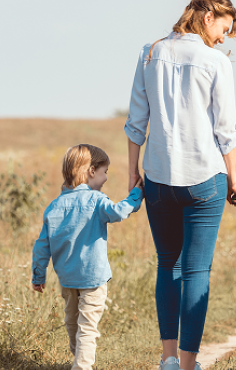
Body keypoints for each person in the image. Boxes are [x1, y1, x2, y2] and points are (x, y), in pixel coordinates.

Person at [123, 1, 236, 369]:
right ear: (208, 16)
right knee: (195, 271)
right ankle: (189, 364)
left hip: (158, 178)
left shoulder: (150, 53)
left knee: (168, 266)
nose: (223, 39)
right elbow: (226, 131)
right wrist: (234, 180)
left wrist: (133, 173)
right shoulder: (216, 62)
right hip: (205, 177)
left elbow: (135, 121)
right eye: (223, 30)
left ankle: (168, 359)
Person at [31, 144, 144, 370]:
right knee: (87, 326)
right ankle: (81, 365)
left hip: (67, 278)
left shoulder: (54, 206)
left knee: (72, 322)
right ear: (91, 171)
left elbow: (42, 246)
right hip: (93, 278)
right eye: (104, 172)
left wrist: (38, 275)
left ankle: (79, 360)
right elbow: (120, 211)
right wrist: (136, 194)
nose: (104, 179)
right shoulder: (96, 200)